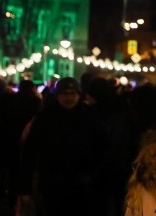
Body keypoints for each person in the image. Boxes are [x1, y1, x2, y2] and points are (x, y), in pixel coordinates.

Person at [17, 76, 111, 216]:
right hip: (52, 184)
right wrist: (25, 189)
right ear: (57, 95)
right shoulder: (45, 118)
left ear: (79, 95)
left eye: (73, 94)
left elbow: (102, 149)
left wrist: (94, 176)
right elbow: (30, 152)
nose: (69, 98)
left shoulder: (91, 117)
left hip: (83, 184)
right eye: (64, 94)